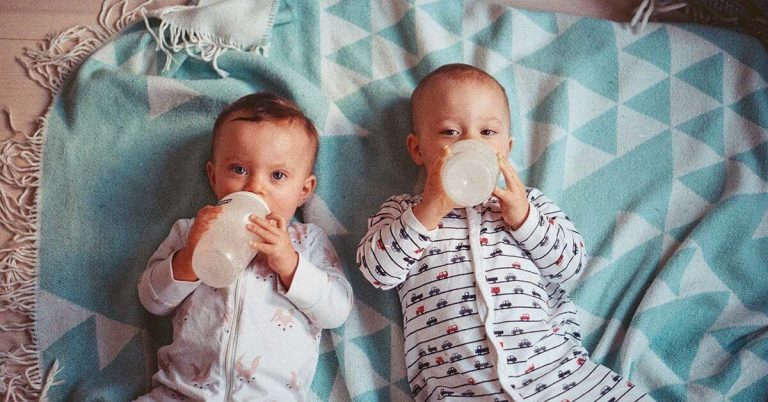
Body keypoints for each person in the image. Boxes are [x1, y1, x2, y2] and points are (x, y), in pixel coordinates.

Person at [356, 64, 650, 401]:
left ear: (506, 149)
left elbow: (570, 265)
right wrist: (430, 209)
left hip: (557, 375)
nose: (469, 143)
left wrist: (524, 219)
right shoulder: (403, 212)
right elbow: (378, 272)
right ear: (418, 149)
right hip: (460, 389)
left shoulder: (528, 205)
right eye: (450, 132)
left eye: (487, 133)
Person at [137, 92, 353, 401]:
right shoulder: (191, 231)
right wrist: (188, 259)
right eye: (239, 169)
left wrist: (289, 264)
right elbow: (151, 300)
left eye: (277, 175)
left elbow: (337, 311)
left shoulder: (307, 242)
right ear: (214, 176)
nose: (255, 187)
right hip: (180, 391)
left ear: (303, 190)